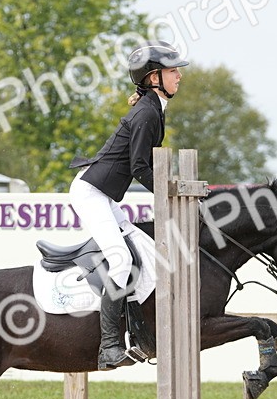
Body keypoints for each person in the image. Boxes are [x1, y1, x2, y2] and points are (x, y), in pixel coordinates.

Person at [68, 42, 188, 369]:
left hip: (103, 194)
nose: (179, 75)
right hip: (91, 193)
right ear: (154, 78)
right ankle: (108, 347)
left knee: (142, 250)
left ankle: (138, 335)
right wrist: (170, 195)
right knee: (120, 261)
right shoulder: (148, 112)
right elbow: (140, 168)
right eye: (173, 70)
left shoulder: (152, 107)